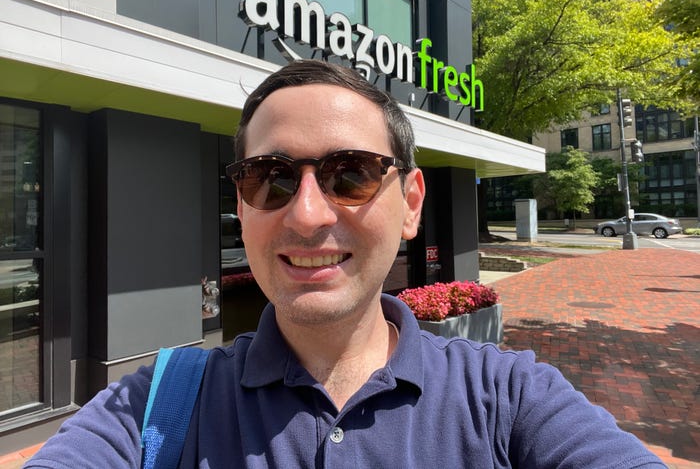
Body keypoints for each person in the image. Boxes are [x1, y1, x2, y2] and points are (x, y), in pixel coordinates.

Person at [27, 60, 664, 468]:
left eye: (351, 175)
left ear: (411, 204)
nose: (306, 214)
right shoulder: (152, 409)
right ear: (242, 208)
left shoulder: (511, 397)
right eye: (270, 178)